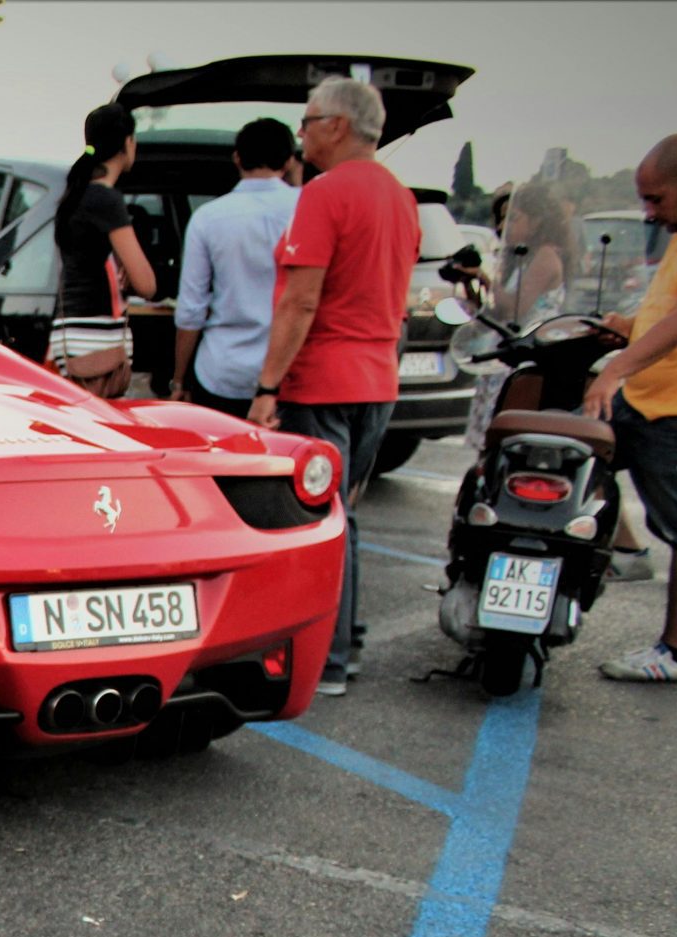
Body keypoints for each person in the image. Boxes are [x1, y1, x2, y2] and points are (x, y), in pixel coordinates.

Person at [247, 77, 421, 697]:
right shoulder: (400, 197)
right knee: (346, 513)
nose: (302, 133)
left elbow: (300, 300)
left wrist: (267, 386)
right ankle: (347, 638)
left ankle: (327, 658)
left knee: (317, 518)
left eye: (309, 120)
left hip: (323, 380)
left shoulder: (325, 194)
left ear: (338, 126)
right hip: (377, 379)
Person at [584, 134, 677, 683]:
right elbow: (669, 312)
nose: (649, 212)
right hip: (646, 399)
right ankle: (626, 553)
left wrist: (615, 369)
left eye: (656, 199)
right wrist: (627, 328)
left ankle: (675, 655)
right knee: (576, 453)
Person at [172, 118, 301, 416]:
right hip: (291, 371)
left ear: (237, 158)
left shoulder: (207, 218)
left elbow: (191, 310)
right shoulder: (308, 208)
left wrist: (179, 379)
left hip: (221, 372)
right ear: (289, 161)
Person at [49, 104, 157, 398]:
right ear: (127, 143)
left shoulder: (76, 193)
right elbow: (147, 285)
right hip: (96, 336)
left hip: (70, 331)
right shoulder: (105, 198)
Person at [462, 181, 577, 453]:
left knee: (506, 431)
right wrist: (470, 283)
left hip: (525, 358)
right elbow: (496, 313)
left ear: (536, 222)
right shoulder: (521, 259)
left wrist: (485, 278)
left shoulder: (546, 256)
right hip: (505, 355)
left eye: (513, 219)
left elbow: (516, 307)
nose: (504, 227)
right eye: (501, 219)